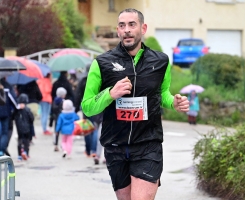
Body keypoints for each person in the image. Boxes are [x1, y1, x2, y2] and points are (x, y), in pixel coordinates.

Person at [81, 8, 190, 200]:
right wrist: (110, 94)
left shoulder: (160, 61)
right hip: (115, 145)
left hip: (148, 144)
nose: (127, 30)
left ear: (143, 28)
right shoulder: (102, 63)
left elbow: (162, 94)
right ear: (118, 30)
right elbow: (88, 106)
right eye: (122, 26)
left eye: (132, 24)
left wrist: (174, 102)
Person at [13, 93, 34, 161]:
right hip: (27, 128)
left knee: (20, 141)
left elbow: (12, 117)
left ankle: (19, 155)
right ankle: (26, 152)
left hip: (19, 128)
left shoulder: (17, 109)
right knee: (26, 141)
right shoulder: (28, 109)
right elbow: (32, 118)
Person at [52, 87, 67, 151]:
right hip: (63, 118)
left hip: (56, 118)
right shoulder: (64, 102)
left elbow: (52, 110)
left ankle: (55, 144)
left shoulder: (54, 101)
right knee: (63, 132)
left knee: (56, 131)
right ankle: (63, 145)